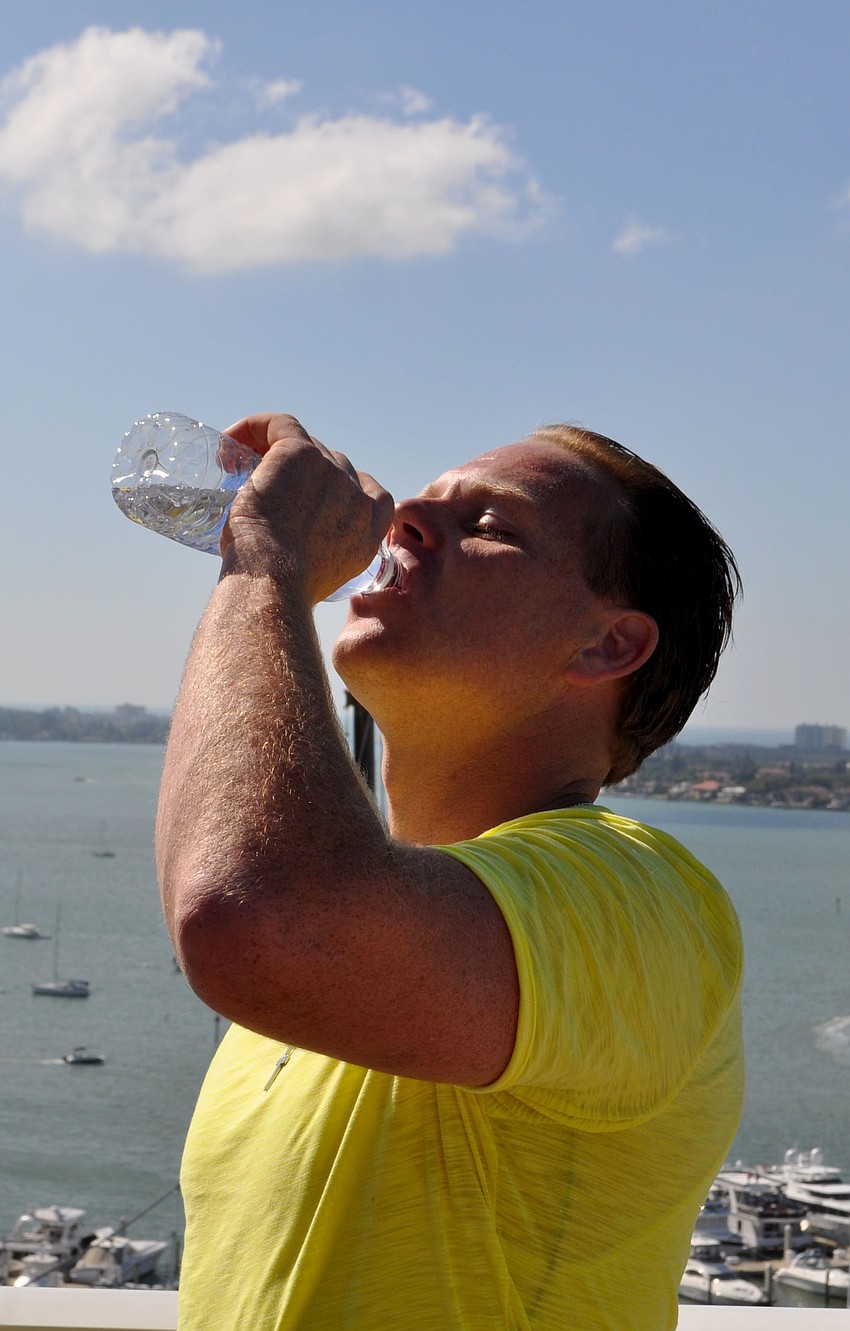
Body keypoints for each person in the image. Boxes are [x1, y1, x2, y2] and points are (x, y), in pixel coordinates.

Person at [156, 414, 744, 1330]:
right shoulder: (349, 938)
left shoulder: (645, 900)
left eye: (489, 526)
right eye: (419, 502)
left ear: (606, 645)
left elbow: (255, 916)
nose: (403, 521)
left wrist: (264, 563)